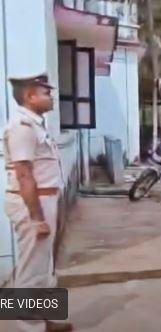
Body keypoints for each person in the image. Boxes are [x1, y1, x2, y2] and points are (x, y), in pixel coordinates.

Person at [4, 73, 73, 332]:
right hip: (33, 203)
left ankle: (43, 321)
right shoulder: (22, 127)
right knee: (31, 269)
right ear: (29, 96)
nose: (51, 97)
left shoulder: (36, 125)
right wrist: (36, 219)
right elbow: (24, 174)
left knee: (43, 267)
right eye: (46, 93)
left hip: (46, 199)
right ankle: (30, 327)